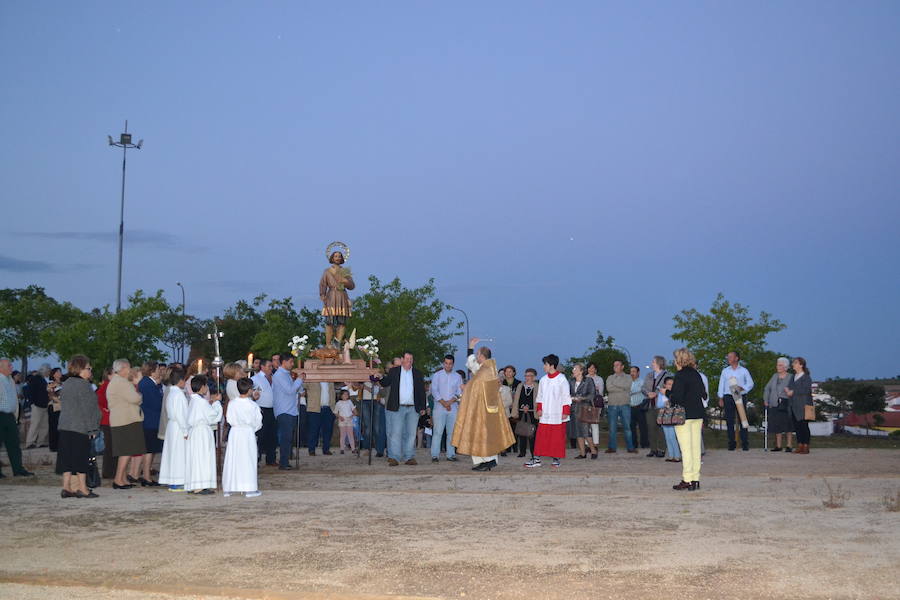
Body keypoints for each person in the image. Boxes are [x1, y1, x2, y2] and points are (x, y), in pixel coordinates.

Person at [451, 339, 515, 471]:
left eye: (477, 355)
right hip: (482, 408)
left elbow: (475, 384)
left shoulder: (487, 369)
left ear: (481, 356)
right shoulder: (485, 368)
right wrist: (471, 347)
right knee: (478, 434)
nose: (476, 357)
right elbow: (472, 365)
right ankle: (483, 461)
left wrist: (465, 388)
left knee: (484, 434)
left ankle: (489, 460)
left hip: (485, 409)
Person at [56, 355, 100, 498]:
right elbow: (89, 409)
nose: (90, 370)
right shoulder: (83, 385)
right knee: (81, 458)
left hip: (65, 426)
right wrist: (93, 429)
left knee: (67, 459)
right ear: (80, 369)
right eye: (88, 368)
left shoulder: (67, 383)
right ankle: (82, 488)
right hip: (79, 427)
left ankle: (66, 487)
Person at [380, 351, 427, 466]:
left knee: (411, 434)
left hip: (413, 408)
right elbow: (386, 383)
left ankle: (409, 457)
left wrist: (422, 407)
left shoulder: (417, 373)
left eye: (411, 359)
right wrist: (380, 377)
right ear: (402, 360)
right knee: (396, 433)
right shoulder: (394, 371)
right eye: (407, 359)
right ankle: (394, 458)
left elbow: (421, 391)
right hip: (398, 407)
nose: (409, 361)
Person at [670, 348, 707, 491]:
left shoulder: (680, 375)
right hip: (697, 413)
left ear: (679, 360)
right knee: (695, 448)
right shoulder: (696, 374)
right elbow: (703, 394)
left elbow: (677, 397)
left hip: (684, 415)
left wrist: (667, 392)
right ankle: (695, 479)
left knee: (686, 449)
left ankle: (687, 479)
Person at [526, 354, 571, 469]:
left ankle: (556, 459)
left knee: (557, 437)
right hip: (545, 414)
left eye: (545, 364)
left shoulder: (562, 379)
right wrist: (539, 408)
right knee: (541, 437)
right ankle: (536, 458)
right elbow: (540, 396)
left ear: (551, 365)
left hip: (558, 414)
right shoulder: (543, 380)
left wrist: (565, 411)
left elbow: (566, 396)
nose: (543, 367)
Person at [107, 359, 145, 489]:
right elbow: (135, 398)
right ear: (122, 368)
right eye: (128, 368)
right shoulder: (121, 382)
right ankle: (118, 479)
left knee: (125, 451)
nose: (130, 370)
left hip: (123, 420)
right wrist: (139, 394)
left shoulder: (117, 381)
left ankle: (122, 478)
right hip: (125, 421)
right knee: (126, 451)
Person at [223, 377, 263, 497]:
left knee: (233, 458)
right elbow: (258, 423)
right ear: (250, 390)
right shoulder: (253, 405)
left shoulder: (232, 403)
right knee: (248, 459)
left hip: (235, 433)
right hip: (247, 433)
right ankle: (249, 488)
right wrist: (251, 428)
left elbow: (229, 418)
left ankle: (229, 487)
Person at [185, 375, 223, 494]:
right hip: (201, 433)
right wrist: (217, 403)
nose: (207, 387)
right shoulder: (201, 402)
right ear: (202, 387)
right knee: (202, 457)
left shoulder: (194, 400)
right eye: (206, 385)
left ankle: (194, 484)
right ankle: (199, 486)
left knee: (196, 458)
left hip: (195, 432)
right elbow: (213, 416)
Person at [0, 358, 34, 478]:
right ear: (1, 367)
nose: (11, 368)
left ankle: (18, 469)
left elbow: (14, 399)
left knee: (14, 444)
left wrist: (16, 416)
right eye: (9, 366)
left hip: (10, 416)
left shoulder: (11, 380)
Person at [159, 367, 190, 491]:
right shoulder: (179, 395)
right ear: (181, 381)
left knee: (172, 453)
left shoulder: (171, 393)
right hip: (178, 427)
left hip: (172, 426)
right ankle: (178, 480)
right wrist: (185, 431)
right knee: (179, 454)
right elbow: (181, 415)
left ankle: (172, 479)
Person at [717, 351, 754, 451]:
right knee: (729, 420)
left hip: (739, 395)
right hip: (728, 396)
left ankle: (745, 443)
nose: (728, 358)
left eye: (730, 356)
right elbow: (721, 384)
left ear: (736, 358)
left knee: (743, 420)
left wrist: (743, 388)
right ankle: (731, 443)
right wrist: (720, 397)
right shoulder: (725, 371)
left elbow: (750, 383)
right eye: (728, 356)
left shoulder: (744, 370)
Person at [272, 353, 303, 470]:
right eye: (291, 362)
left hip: (290, 409)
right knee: (286, 438)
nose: (292, 364)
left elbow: (295, 390)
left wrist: (299, 383)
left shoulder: (287, 374)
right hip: (284, 410)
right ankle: (283, 463)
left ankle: (285, 461)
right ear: (284, 362)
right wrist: (299, 379)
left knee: (289, 438)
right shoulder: (280, 375)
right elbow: (290, 390)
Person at [430, 354, 463, 463]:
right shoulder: (437, 375)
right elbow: (434, 390)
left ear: (453, 364)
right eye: (446, 363)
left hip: (453, 407)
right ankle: (435, 455)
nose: (448, 365)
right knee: (438, 432)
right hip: (439, 407)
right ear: (443, 363)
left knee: (452, 432)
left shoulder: (457, 376)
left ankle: (451, 454)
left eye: (450, 363)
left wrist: (450, 402)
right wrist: (444, 403)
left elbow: (459, 392)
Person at [320, 249, 355, 347]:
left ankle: (337, 344)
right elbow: (323, 284)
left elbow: (352, 286)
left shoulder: (345, 272)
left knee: (342, 321)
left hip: (342, 296)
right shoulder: (327, 271)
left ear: (342, 258)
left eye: (339, 256)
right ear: (332, 258)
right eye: (335, 256)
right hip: (331, 296)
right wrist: (322, 295)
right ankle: (328, 344)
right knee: (329, 321)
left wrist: (345, 281)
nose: (338, 258)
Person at [137, 361, 163, 487]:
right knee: (149, 449)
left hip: (151, 420)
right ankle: (146, 476)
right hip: (150, 420)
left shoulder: (149, 383)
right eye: (158, 369)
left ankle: (147, 475)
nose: (160, 371)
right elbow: (156, 404)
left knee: (151, 450)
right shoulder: (148, 384)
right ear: (152, 371)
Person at [763, 357, 795, 452]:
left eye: (780, 365)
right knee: (777, 425)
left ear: (786, 367)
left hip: (786, 403)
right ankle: (778, 445)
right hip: (774, 403)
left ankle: (789, 445)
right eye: (777, 364)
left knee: (788, 425)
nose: (778, 366)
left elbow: (794, 390)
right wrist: (766, 399)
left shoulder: (791, 377)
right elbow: (767, 388)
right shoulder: (774, 376)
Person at [642, 356, 670, 458]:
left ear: (659, 363)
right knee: (651, 427)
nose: (651, 363)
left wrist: (656, 393)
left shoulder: (666, 375)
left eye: (653, 361)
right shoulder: (649, 375)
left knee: (661, 428)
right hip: (650, 405)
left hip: (661, 405)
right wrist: (648, 393)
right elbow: (643, 388)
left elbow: (668, 387)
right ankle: (653, 449)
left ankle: (661, 449)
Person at [605, 360, 636, 454]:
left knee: (627, 427)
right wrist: (621, 388)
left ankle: (630, 447)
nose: (615, 367)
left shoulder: (628, 377)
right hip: (612, 405)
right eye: (614, 365)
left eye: (617, 365)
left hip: (625, 404)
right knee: (612, 428)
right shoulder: (610, 377)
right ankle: (612, 447)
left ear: (622, 367)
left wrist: (615, 385)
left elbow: (627, 386)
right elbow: (609, 388)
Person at [251, 359, 278, 466]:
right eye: (269, 366)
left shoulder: (274, 378)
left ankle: (271, 458)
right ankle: (256, 458)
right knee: (260, 435)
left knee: (272, 435)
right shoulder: (255, 379)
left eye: (271, 366)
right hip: (261, 408)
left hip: (272, 409)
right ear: (262, 367)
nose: (271, 368)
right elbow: (253, 393)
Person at [569, 363, 598, 459]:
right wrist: (570, 398)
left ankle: (593, 451)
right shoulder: (571, 381)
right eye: (573, 368)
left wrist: (582, 398)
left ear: (581, 371)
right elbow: (567, 393)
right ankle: (582, 453)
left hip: (585, 408)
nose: (573, 370)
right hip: (574, 408)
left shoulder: (588, 380)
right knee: (577, 431)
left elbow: (592, 394)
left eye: (575, 368)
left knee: (585, 431)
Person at [785, 357, 813, 454]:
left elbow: (806, 390)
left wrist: (793, 391)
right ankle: (800, 445)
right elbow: (789, 387)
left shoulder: (806, 377)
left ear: (801, 365)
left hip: (804, 405)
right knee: (797, 427)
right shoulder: (793, 377)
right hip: (794, 405)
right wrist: (788, 390)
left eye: (795, 363)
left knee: (804, 426)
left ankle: (806, 446)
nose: (793, 364)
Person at [512, 368, 539, 459]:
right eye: (526, 375)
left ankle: (533, 452)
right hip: (521, 412)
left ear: (534, 377)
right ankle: (522, 452)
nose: (527, 377)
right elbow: (518, 399)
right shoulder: (520, 386)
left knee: (533, 433)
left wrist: (530, 407)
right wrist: (523, 406)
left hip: (533, 413)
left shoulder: (537, 386)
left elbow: (538, 399)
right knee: (521, 432)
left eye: (529, 376)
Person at [355, 379, 385, 457]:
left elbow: (379, 387)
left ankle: (380, 450)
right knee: (367, 426)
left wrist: (366, 387)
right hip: (364, 400)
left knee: (377, 427)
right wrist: (359, 385)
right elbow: (354, 386)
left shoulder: (377, 373)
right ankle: (368, 449)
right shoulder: (361, 373)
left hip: (377, 400)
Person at [306, 380, 336, 456]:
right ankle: (311, 449)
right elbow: (302, 385)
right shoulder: (312, 379)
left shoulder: (330, 381)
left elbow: (332, 394)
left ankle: (326, 449)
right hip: (315, 409)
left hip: (328, 408)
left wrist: (334, 408)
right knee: (313, 430)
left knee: (328, 430)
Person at [95, 367, 115, 479]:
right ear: (108, 375)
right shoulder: (107, 385)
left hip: (107, 419)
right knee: (110, 447)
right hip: (107, 419)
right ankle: (108, 472)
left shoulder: (107, 385)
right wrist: (107, 407)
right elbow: (100, 399)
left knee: (110, 447)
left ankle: (109, 471)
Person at [25, 364, 51, 449]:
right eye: (48, 371)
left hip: (43, 405)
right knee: (35, 425)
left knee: (44, 425)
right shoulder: (35, 378)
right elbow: (29, 391)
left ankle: (41, 442)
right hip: (36, 405)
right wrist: (32, 403)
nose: (49, 373)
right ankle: (30, 443)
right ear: (45, 371)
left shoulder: (43, 379)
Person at [658, 376, 681, 462]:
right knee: (667, 437)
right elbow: (659, 405)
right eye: (669, 384)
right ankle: (671, 455)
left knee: (672, 437)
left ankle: (677, 455)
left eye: (672, 384)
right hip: (664, 418)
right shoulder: (661, 394)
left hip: (673, 418)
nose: (670, 386)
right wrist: (664, 403)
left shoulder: (674, 394)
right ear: (665, 385)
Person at [586, 363, 605, 447]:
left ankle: (595, 444)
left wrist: (593, 389)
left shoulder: (599, 379)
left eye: (593, 368)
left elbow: (600, 392)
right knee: (586, 425)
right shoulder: (584, 378)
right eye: (589, 368)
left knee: (594, 424)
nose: (591, 369)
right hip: (586, 404)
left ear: (596, 369)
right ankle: (587, 445)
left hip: (595, 403)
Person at [334, 389, 357, 454]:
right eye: (344, 394)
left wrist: (352, 415)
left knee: (350, 435)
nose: (346, 395)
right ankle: (342, 449)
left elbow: (355, 411)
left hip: (349, 420)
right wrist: (339, 417)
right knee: (342, 435)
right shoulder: (338, 403)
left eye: (347, 394)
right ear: (341, 395)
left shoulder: (350, 402)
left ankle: (353, 448)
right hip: (342, 420)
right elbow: (335, 412)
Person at [47, 367, 63, 452]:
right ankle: (53, 446)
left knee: (61, 427)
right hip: (54, 407)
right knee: (54, 427)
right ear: (54, 374)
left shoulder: (63, 383)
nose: (60, 373)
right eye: (58, 372)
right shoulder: (51, 384)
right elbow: (51, 396)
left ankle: (60, 444)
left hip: (62, 408)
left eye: (60, 371)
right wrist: (61, 402)